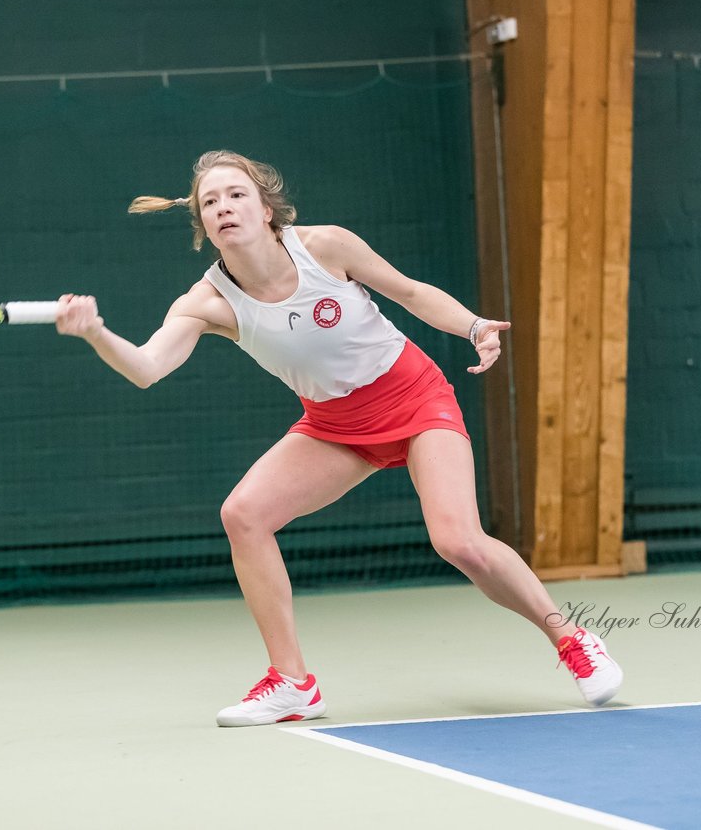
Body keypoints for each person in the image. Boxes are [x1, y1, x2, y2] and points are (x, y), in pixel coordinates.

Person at [55, 150, 623, 727]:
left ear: (266, 208)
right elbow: (148, 366)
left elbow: (410, 293)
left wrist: (473, 326)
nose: (223, 207)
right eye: (210, 202)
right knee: (244, 515)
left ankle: (573, 640)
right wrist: (96, 332)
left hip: (414, 398)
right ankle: (292, 683)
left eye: (236, 195)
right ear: (201, 224)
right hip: (335, 426)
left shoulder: (325, 246)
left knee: (459, 542)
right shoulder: (207, 302)